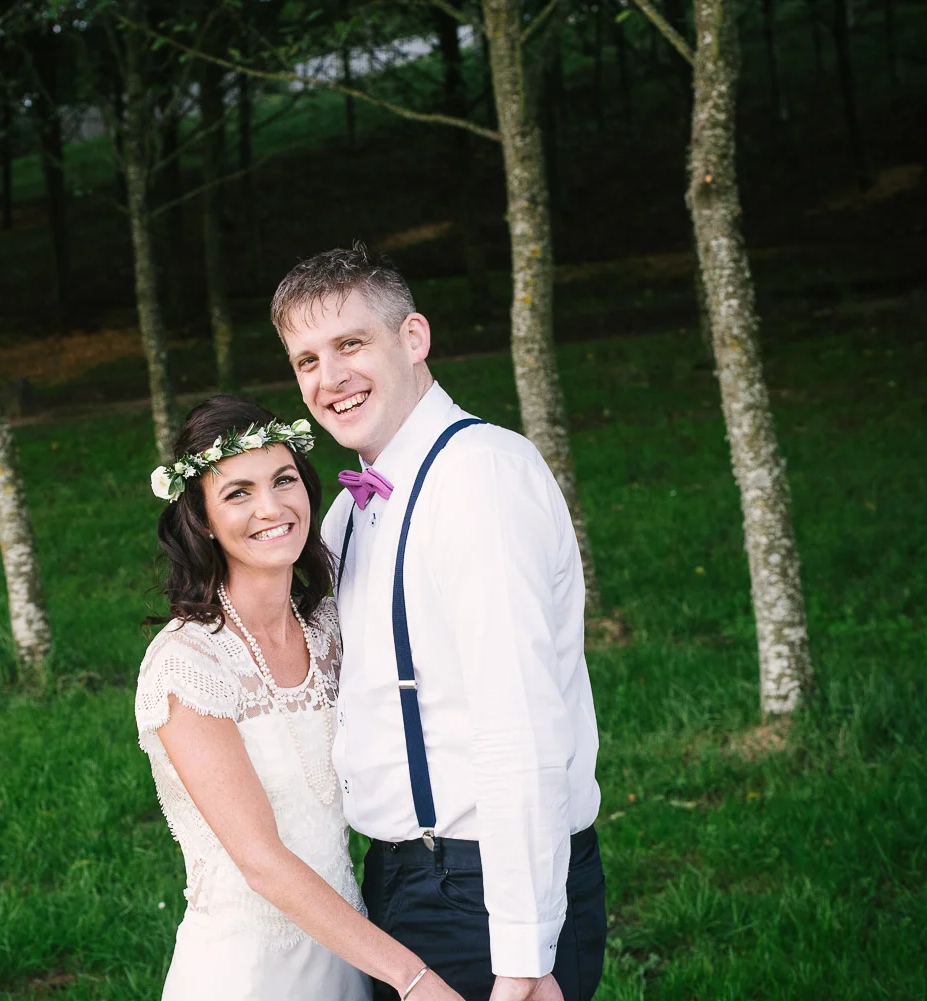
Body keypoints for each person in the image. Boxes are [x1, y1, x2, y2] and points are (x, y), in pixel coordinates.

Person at [272, 244, 607, 1001]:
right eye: (307, 360)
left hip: (486, 888)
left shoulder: (481, 477)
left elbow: (518, 719)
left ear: (413, 339)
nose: (331, 379)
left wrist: (523, 952)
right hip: (396, 880)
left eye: (351, 344)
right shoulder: (347, 512)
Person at [135, 395, 466, 1001]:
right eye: (238, 492)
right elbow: (260, 860)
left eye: (284, 480)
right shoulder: (188, 664)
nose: (271, 507)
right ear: (202, 517)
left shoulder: (329, 631)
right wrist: (412, 978)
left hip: (345, 948)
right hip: (248, 970)